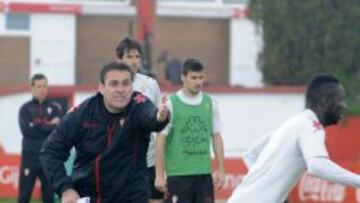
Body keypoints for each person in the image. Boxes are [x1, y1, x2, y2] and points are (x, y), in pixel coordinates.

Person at [40, 62, 169, 203]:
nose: (121, 89)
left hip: (132, 197)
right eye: (114, 84)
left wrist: (160, 117)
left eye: (126, 84)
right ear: (101, 88)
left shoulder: (139, 104)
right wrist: (65, 188)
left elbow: (151, 118)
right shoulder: (82, 113)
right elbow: (50, 152)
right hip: (91, 196)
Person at [227, 74, 360, 203]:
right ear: (325, 102)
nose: (344, 106)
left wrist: (272, 188)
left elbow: (251, 153)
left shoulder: (292, 123)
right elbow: (317, 166)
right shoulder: (310, 126)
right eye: (340, 99)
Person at [155, 58, 225, 203]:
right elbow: (160, 140)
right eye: (193, 78)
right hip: (178, 176)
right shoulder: (171, 104)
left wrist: (220, 168)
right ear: (183, 77)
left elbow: (216, 137)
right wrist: (159, 175)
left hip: (204, 176)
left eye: (201, 78)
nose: (198, 82)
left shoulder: (210, 103)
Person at [115, 36, 163, 203]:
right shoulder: (109, 85)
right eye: (129, 56)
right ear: (119, 59)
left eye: (137, 56)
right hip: (119, 161)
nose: (134, 61)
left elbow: (160, 125)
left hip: (147, 160)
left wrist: (160, 169)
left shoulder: (150, 84)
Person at [18, 73, 61, 203]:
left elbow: (57, 131)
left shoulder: (55, 107)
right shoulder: (25, 109)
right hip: (30, 157)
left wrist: (37, 124)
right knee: (24, 195)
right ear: (32, 88)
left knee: (49, 196)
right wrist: (49, 125)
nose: (42, 89)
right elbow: (26, 131)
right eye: (39, 86)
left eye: (44, 86)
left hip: (48, 157)